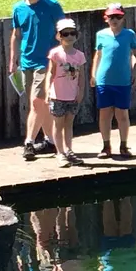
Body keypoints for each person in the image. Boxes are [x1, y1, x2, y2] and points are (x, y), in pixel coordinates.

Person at [11, 0, 64, 162]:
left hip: (47, 61)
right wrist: (12, 59)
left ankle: (29, 142)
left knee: (37, 101)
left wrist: (62, 55)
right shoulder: (18, 9)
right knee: (39, 104)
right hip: (27, 61)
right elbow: (16, 35)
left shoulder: (52, 6)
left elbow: (64, 30)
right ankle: (50, 140)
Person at [92, 3, 136, 159]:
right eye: (111, 17)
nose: (115, 20)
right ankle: (106, 146)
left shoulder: (129, 34)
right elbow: (98, 56)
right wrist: (93, 75)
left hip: (123, 80)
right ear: (106, 18)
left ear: (123, 18)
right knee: (105, 114)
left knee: (122, 114)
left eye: (118, 17)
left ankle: (124, 145)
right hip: (104, 80)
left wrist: (134, 72)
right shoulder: (101, 34)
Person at [46, 17, 87, 167]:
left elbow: (82, 76)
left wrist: (81, 91)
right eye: (65, 34)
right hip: (57, 96)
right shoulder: (55, 53)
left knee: (69, 124)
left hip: (72, 96)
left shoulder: (79, 55)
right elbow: (50, 73)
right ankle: (60, 152)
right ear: (59, 36)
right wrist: (47, 92)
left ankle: (69, 150)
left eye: (72, 33)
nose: (69, 36)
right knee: (58, 124)